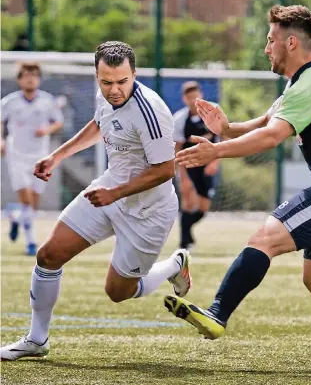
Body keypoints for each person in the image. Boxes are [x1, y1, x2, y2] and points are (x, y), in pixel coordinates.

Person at [164, 5, 311, 362]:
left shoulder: (310, 83)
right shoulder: (308, 78)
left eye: (270, 40)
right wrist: (227, 129)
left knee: (265, 237)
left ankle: (217, 313)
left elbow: (270, 137)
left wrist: (216, 151)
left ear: (291, 42)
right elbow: (265, 121)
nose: (266, 48)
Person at [1, 41, 191, 361]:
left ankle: (175, 264)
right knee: (49, 255)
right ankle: (36, 339)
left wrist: (114, 194)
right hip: (107, 191)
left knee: (118, 293)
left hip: (149, 211)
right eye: (106, 82)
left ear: (134, 74)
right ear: (97, 75)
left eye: (122, 81)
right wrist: (56, 156)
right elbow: (98, 126)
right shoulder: (105, 98)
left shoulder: (151, 111)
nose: (114, 90)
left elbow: (163, 171)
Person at [1, 62, 64, 256]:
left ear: (38, 79)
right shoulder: (9, 102)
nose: (30, 79)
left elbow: (58, 122)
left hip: (40, 156)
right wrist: (1, 141)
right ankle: (31, 242)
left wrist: (46, 130)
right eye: (26, 75)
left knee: (35, 200)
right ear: (20, 79)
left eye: (34, 75)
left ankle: (16, 218)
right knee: (26, 197)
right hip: (16, 155)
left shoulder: (47, 101)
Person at [173, 81, 220, 250]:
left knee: (203, 207)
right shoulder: (179, 119)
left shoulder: (212, 112)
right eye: (189, 97)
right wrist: (182, 175)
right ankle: (184, 243)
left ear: (201, 95)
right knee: (188, 202)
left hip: (206, 167)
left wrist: (215, 161)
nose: (193, 100)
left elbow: (224, 137)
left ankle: (187, 232)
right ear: (184, 99)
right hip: (189, 165)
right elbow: (178, 148)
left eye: (196, 96)